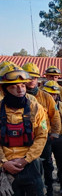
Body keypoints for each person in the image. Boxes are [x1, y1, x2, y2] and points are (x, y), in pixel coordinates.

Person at [0, 64, 48, 196]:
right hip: (6, 167)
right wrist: (4, 163)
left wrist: (26, 159)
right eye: (13, 86)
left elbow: (42, 136)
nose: (20, 89)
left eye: (22, 85)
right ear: (4, 89)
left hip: (30, 164)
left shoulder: (36, 108)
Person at [21, 63, 60, 196]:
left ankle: (48, 189)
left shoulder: (46, 97)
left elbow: (55, 116)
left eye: (35, 77)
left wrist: (54, 133)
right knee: (28, 165)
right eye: (29, 77)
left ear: (38, 79)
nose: (32, 80)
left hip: (44, 138)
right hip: (24, 139)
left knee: (47, 165)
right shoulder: (18, 96)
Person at [41, 81, 62, 196]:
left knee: (61, 162)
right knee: (47, 164)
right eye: (49, 93)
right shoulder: (40, 107)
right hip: (45, 139)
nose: (52, 96)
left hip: (60, 139)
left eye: (54, 94)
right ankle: (48, 187)